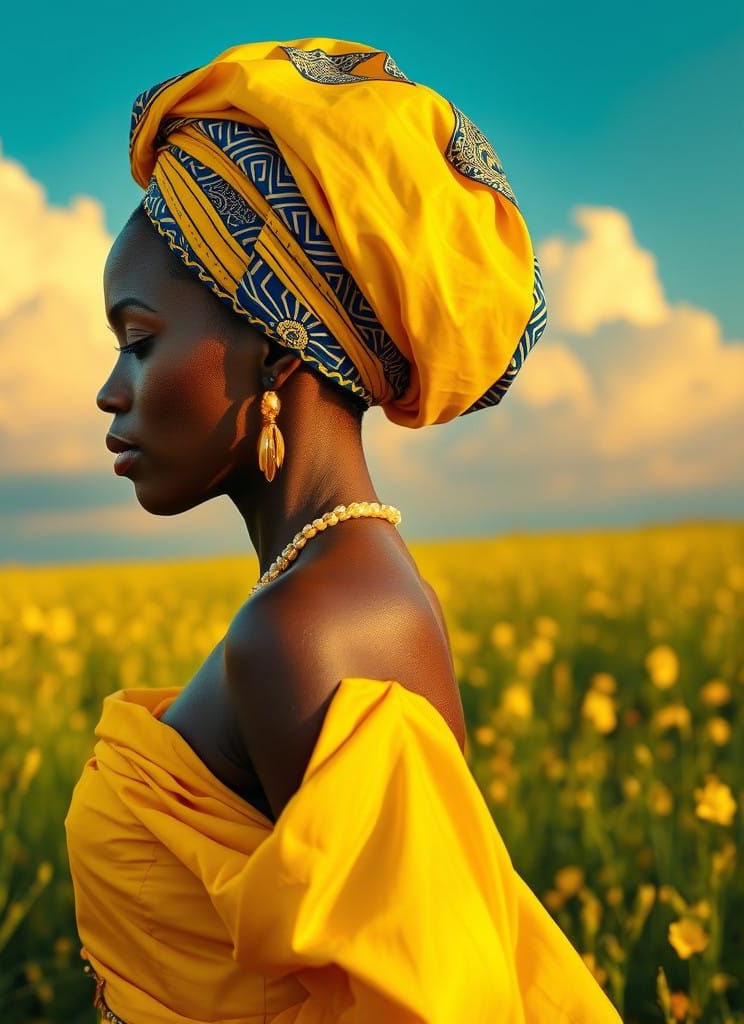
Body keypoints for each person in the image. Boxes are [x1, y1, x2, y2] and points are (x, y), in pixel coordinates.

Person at [64, 38, 622, 1023]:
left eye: (141, 340)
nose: (112, 390)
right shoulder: (333, 590)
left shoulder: (306, 629)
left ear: (277, 347)